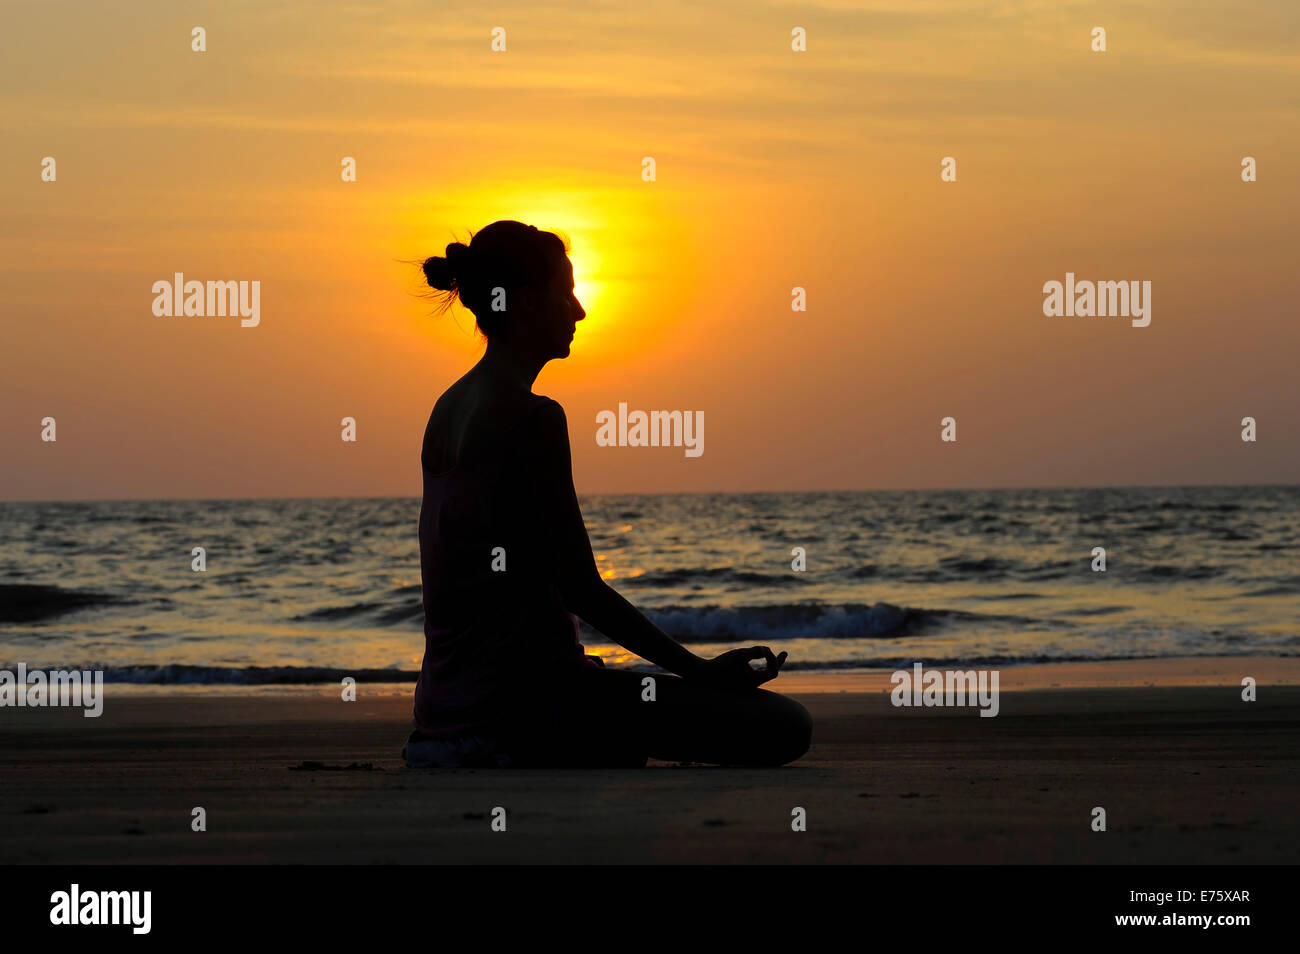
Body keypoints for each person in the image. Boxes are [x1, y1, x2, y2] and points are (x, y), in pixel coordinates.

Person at [404, 220, 811, 768]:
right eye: (566, 292)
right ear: (525, 303)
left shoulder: (445, 410)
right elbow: (581, 587)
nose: (580, 310)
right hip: (526, 711)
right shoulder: (533, 418)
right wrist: (702, 671)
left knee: (627, 700)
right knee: (786, 725)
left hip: (441, 716)